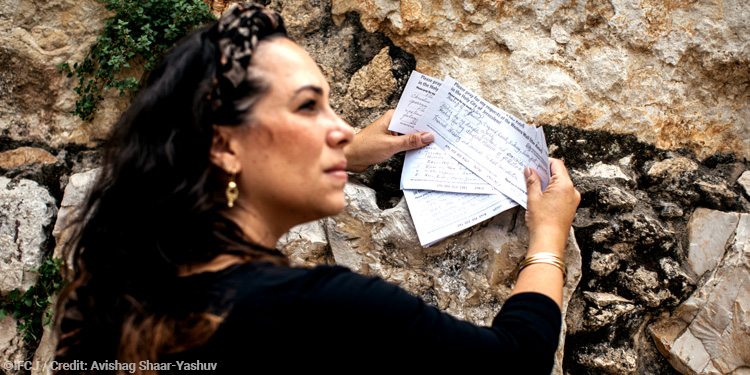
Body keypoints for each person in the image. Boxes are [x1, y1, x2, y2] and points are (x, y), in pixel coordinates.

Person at [54, 4, 580, 374]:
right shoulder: (317, 310)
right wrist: (548, 239)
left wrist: (339, 157)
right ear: (224, 146)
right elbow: (511, 362)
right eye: (308, 106)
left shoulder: (120, 310)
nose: (342, 129)